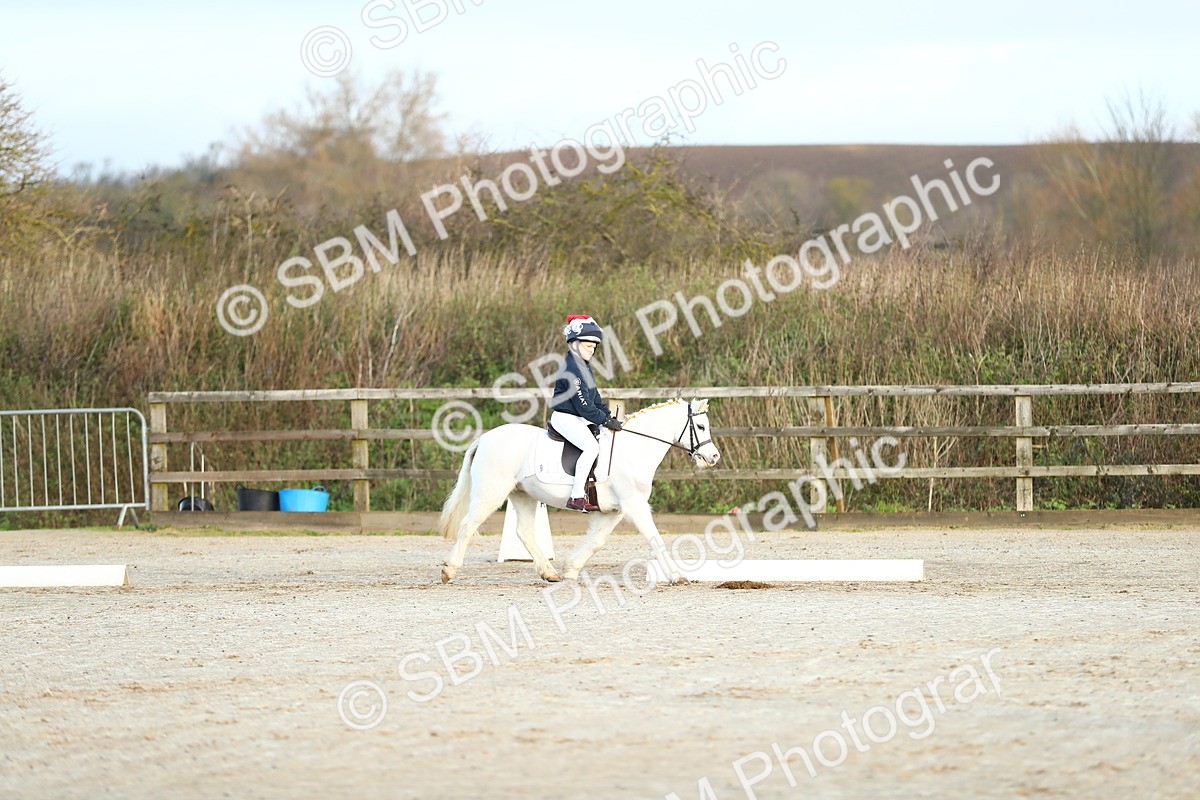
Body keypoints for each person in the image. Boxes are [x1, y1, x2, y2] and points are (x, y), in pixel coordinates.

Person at [550, 315, 623, 512]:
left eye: (594, 347)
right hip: (566, 417)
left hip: (578, 417)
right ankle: (576, 496)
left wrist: (608, 416)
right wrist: (604, 420)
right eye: (588, 346)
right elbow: (584, 407)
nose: (592, 350)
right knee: (591, 448)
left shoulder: (583, 366)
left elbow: (595, 398)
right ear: (574, 344)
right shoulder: (572, 369)